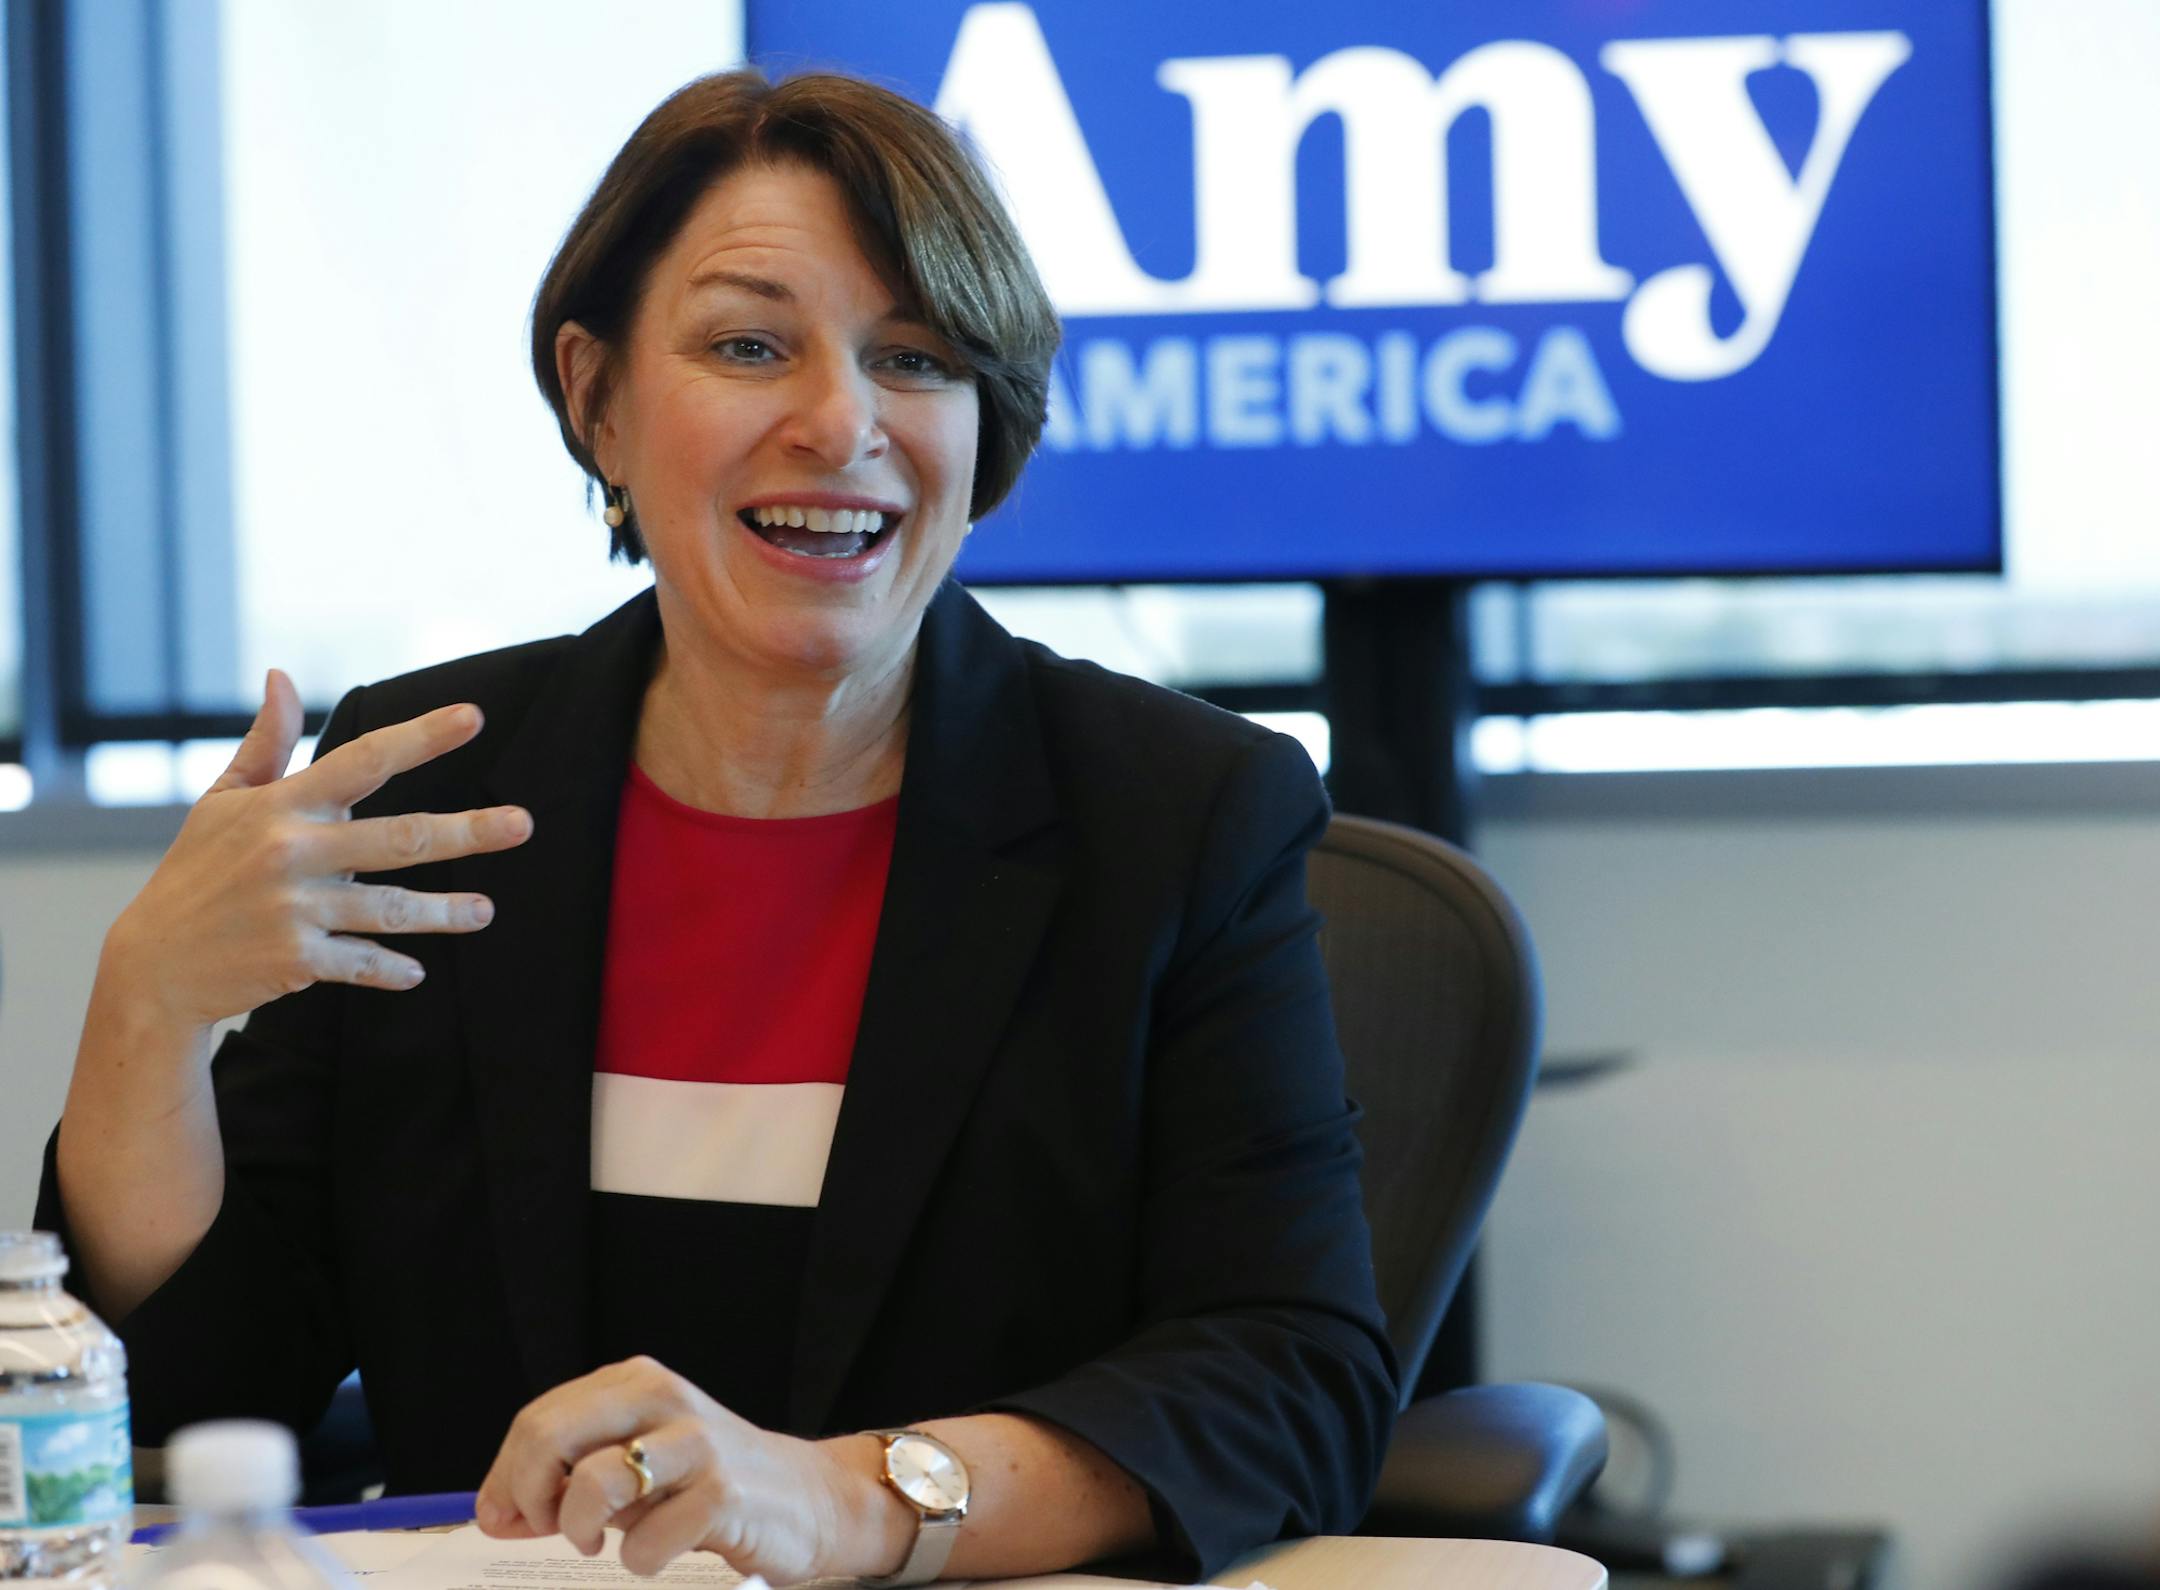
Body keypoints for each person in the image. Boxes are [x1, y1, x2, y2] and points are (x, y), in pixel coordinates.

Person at [36, 68, 1396, 1584]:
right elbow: (202, 1384)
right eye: (750, 345)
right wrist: (147, 1010)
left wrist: (857, 1497)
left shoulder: (1178, 809)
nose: (841, 422)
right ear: (598, 396)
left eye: (918, 357)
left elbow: (1291, 1376)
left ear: (985, 423)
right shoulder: (431, 796)